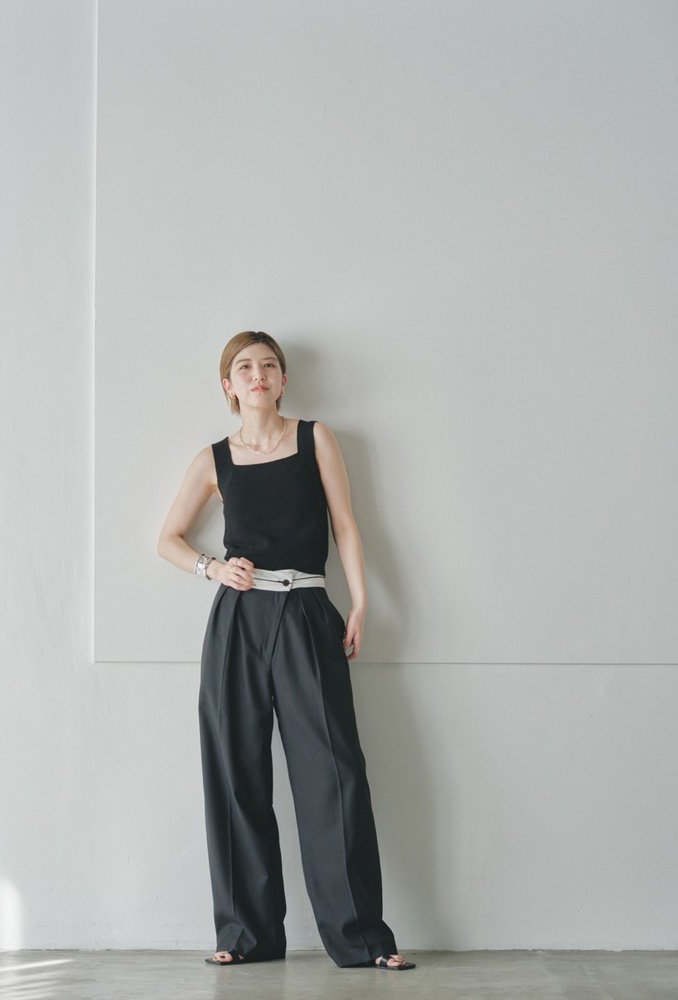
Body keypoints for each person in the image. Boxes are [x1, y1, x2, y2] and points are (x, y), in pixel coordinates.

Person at [157, 330, 415, 971]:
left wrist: (361, 602)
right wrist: (214, 569)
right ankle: (247, 936)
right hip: (238, 620)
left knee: (333, 772)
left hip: (306, 612)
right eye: (244, 367)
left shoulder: (314, 438)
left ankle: (362, 940)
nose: (258, 374)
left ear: (283, 379)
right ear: (228, 385)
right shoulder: (213, 459)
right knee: (235, 772)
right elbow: (168, 539)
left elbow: (345, 524)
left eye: (269, 365)